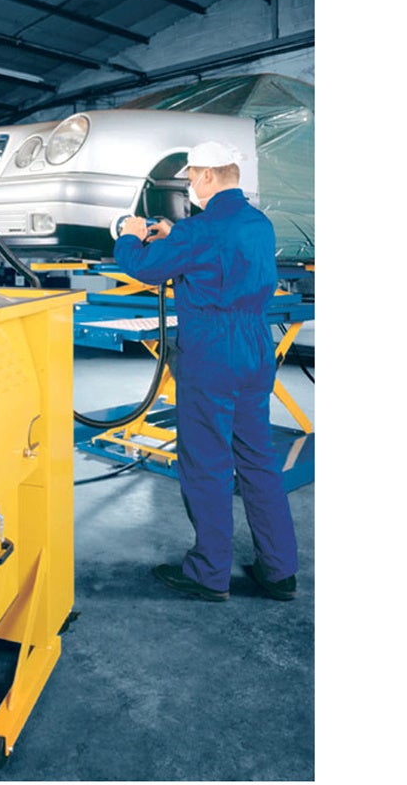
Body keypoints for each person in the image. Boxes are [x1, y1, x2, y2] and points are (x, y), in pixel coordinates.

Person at [113, 140, 298, 602]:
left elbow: (143, 267)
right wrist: (175, 233)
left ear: (210, 175)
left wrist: (130, 234)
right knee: (258, 460)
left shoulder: (199, 231)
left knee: (207, 463)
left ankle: (209, 574)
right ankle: (280, 572)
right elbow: (218, 252)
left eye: (193, 176)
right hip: (255, 346)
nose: (191, 184)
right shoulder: (259, 224)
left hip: (212, 351)